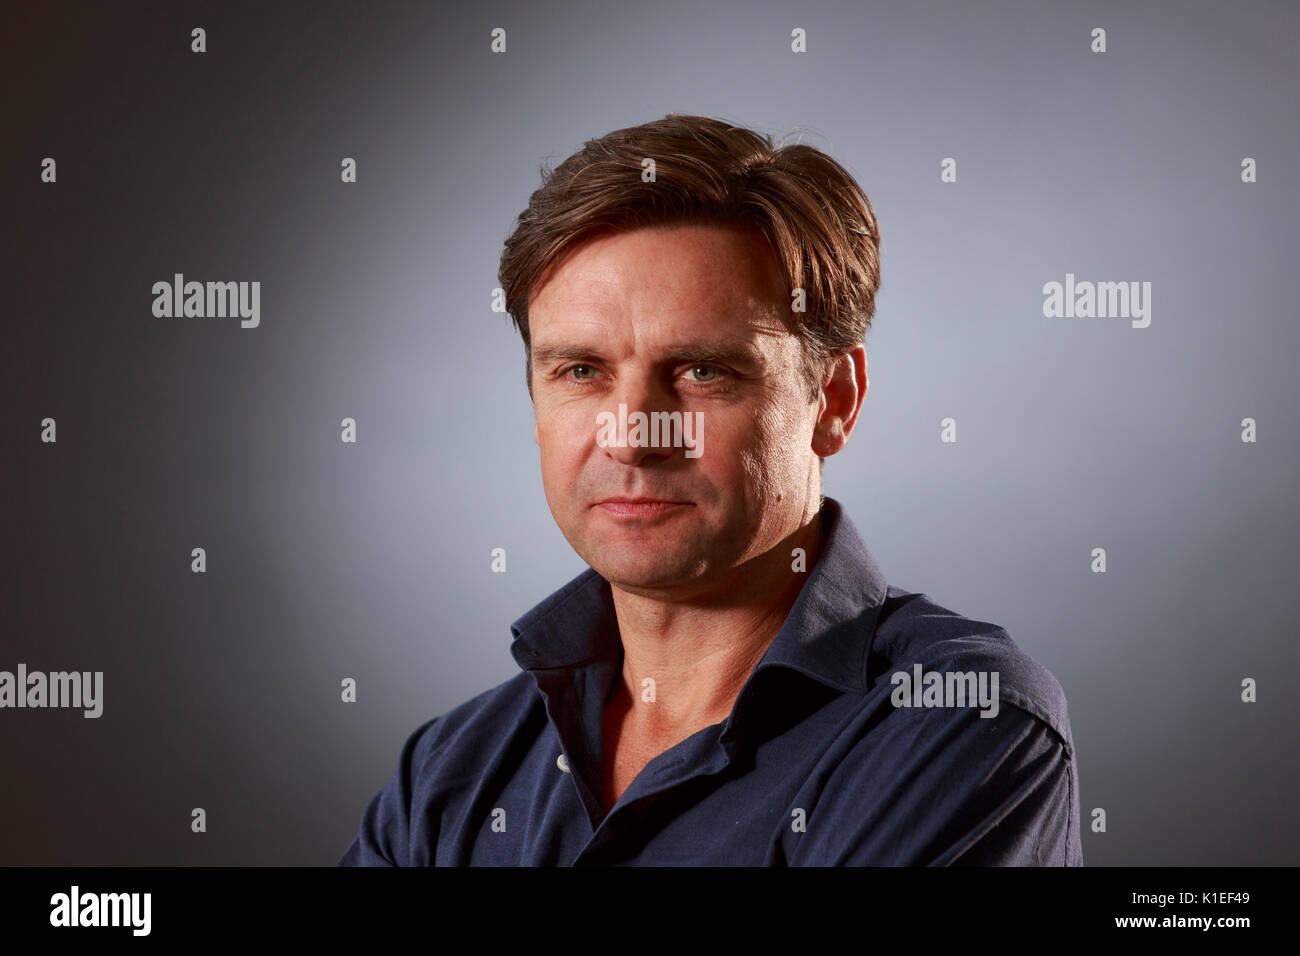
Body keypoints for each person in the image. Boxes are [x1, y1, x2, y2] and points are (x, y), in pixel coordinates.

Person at [339, 113, 1082, 865]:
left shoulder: (963, 723)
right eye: (582, 372)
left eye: (702, 372)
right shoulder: (448, 775)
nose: (631, 437)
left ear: (834, 400)